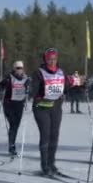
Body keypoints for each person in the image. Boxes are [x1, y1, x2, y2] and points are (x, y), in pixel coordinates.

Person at [30, 48, 67, 176]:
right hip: (41, 108)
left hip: (56, 107)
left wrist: (79, 85)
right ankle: (44, 164)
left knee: (54, 135)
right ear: (45, 60)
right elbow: (33, 89)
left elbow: (66, 85)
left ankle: (51, 163)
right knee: (45, 134)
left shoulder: (61, 72)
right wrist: (29, 90)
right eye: (50, 59)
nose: (52, 61)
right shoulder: (39, 73)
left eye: (54, 59)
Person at [0, 61, 30, 156]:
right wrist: (2, 89)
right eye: (17, 68)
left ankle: (12, 144)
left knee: (15, 126)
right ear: (14, 69)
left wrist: (29, 89)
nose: (19, 70)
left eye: (21, 68)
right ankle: (11, 146)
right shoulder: (9, 78)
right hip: (9, 104)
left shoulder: (26, 79)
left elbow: (30, 90)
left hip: (19, 105)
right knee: (13, 125)